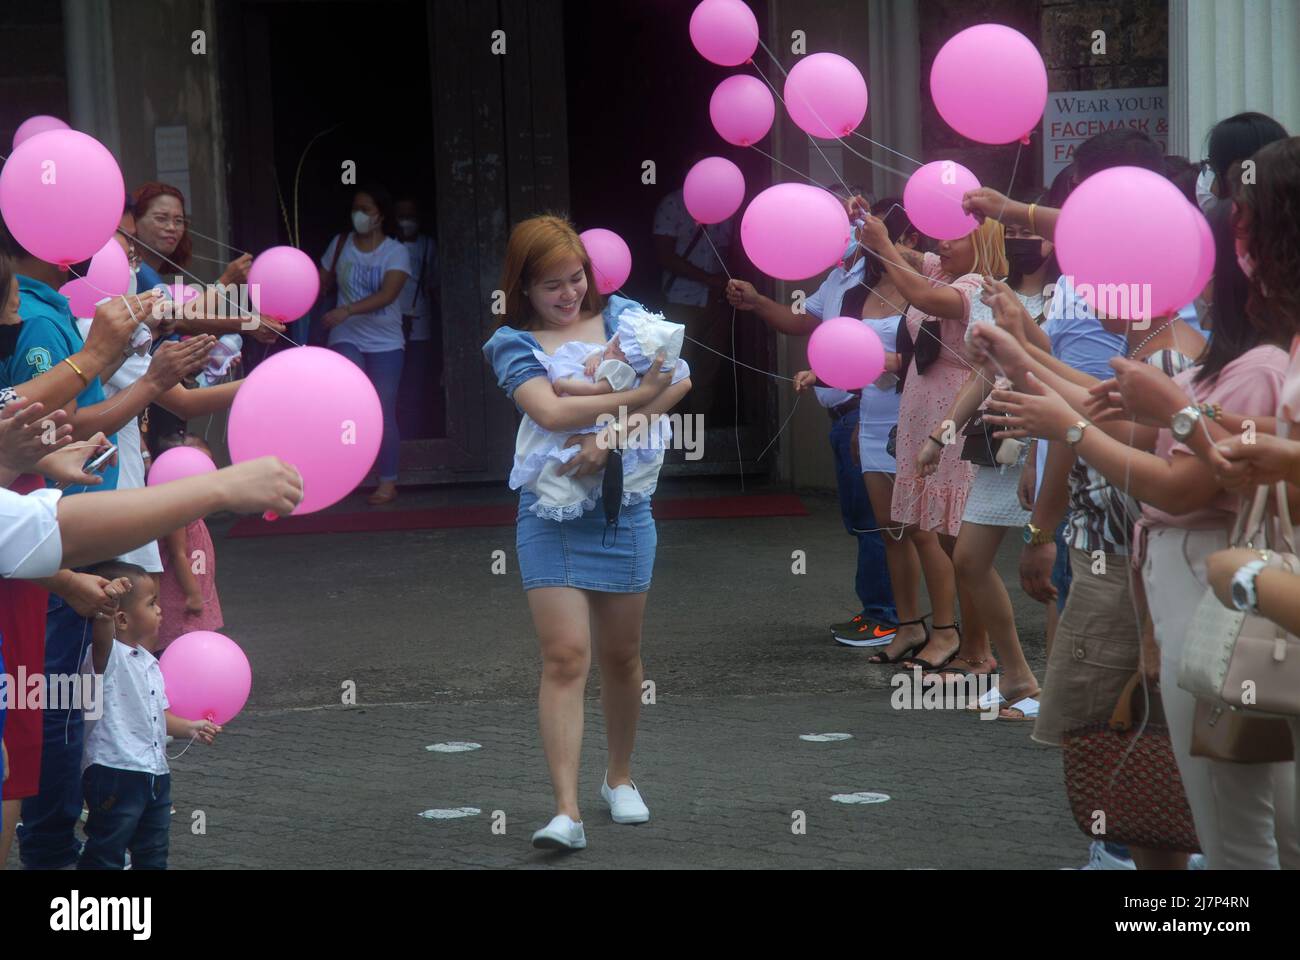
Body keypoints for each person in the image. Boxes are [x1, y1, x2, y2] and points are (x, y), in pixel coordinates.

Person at [985, 140, 1300, 869]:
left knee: (1241, 824)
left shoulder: (1256, 363)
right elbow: (1164, 428)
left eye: (1248, 230)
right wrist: (1026, 356)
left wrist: (1072, 422)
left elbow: (1187, 479)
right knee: (1244, 811)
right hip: (1192, 581)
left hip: (1219, 581)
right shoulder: (1225, 360)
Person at [483, 215, 691, 850]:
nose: (568, 294)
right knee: (565, 656)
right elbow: (548, 410)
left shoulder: (626, 316)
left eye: (575, 279)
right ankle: (565, 812)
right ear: (523, 287)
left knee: (623, 658)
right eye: (551, 286)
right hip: (548, 515)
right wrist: (638, 393)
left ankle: (619, 777)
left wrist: (610, 434)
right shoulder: (512, 342)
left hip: (623, 510)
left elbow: (680, 381)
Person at [726, 192, 906, 647]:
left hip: (865, 412)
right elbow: (799, 320)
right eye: (856, 225)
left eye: (865, 225)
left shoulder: (888, 279)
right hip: (845, 413)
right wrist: (757, 301)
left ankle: (884, 616)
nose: (856, 233)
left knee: (874, 521)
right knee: (863, 520)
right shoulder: (840, 276)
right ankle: (887, 614)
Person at [912, 216, 1060, 716]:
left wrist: (1040, 453)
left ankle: (1059, 693)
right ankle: (1017, 675)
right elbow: (981, 377)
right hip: (998, 445)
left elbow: (1057, 377)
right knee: (969, 560)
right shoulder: (988, 296)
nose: (1022, 242)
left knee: (1056, 573)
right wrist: (940, 435)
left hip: (1050, 445)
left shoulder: (1068, 298)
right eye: (1013, 232)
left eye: (1031, 234)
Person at [853, 215, 1006, 670]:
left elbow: (918, 294)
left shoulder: (977, 287)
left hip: (955, 417)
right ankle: (967, 645)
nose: (944, 241)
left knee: (961, 545)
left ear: (981, 242)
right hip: (923, 413)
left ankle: (976, 650)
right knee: (942, 539)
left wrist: (881, 241)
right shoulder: (945, 271)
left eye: (957, 235)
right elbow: (913, 259)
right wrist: (869, 225)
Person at [78, 560, 220, 870]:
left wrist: (191, 728)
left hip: (155, 773)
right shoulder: (106, 657)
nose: (160, 610)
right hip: (113, 770)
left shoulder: (150, 663)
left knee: (154, 850)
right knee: (107, 847)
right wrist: (106, 608)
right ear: (123, 619)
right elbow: (103, 634)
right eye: (152, 603)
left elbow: (159, 716)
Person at [319, 184, 412, 506]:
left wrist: (346, 310)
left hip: (386, 340)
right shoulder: (340, 244)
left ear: (380, 216)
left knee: (382, 409)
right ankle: (343, 475)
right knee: (349, 404)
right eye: (355, 208)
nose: (358, 215)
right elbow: (320, 282)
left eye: (366, 209)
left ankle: (387, 481)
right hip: (346, 336)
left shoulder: (395, 251)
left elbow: (388, 294)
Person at [653, 164, 733, 419]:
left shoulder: (727, 207)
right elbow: (664, 255)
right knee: (674, 370)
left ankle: (701, 437)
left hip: (718, 300)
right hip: (681, 299)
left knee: (709, 370)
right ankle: (672, 439)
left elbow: (729, 250)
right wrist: (709, 279)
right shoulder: (673, 204)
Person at [155, 435, 224, 651]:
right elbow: (178, 554)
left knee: (198, 640)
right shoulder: (177, 510)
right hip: (182, 593)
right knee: (183, 640)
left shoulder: (193, 507)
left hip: (198, 585)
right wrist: (193, 594)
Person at [394, 196, 442, 438]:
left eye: (410, 216)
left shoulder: (427, 246)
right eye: (401, 216)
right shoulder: (387, 246)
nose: (406, 221)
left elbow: (434, 285)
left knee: (415, 385)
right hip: (388, 326)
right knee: (392, 388)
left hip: (420, 323)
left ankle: (414, 438)